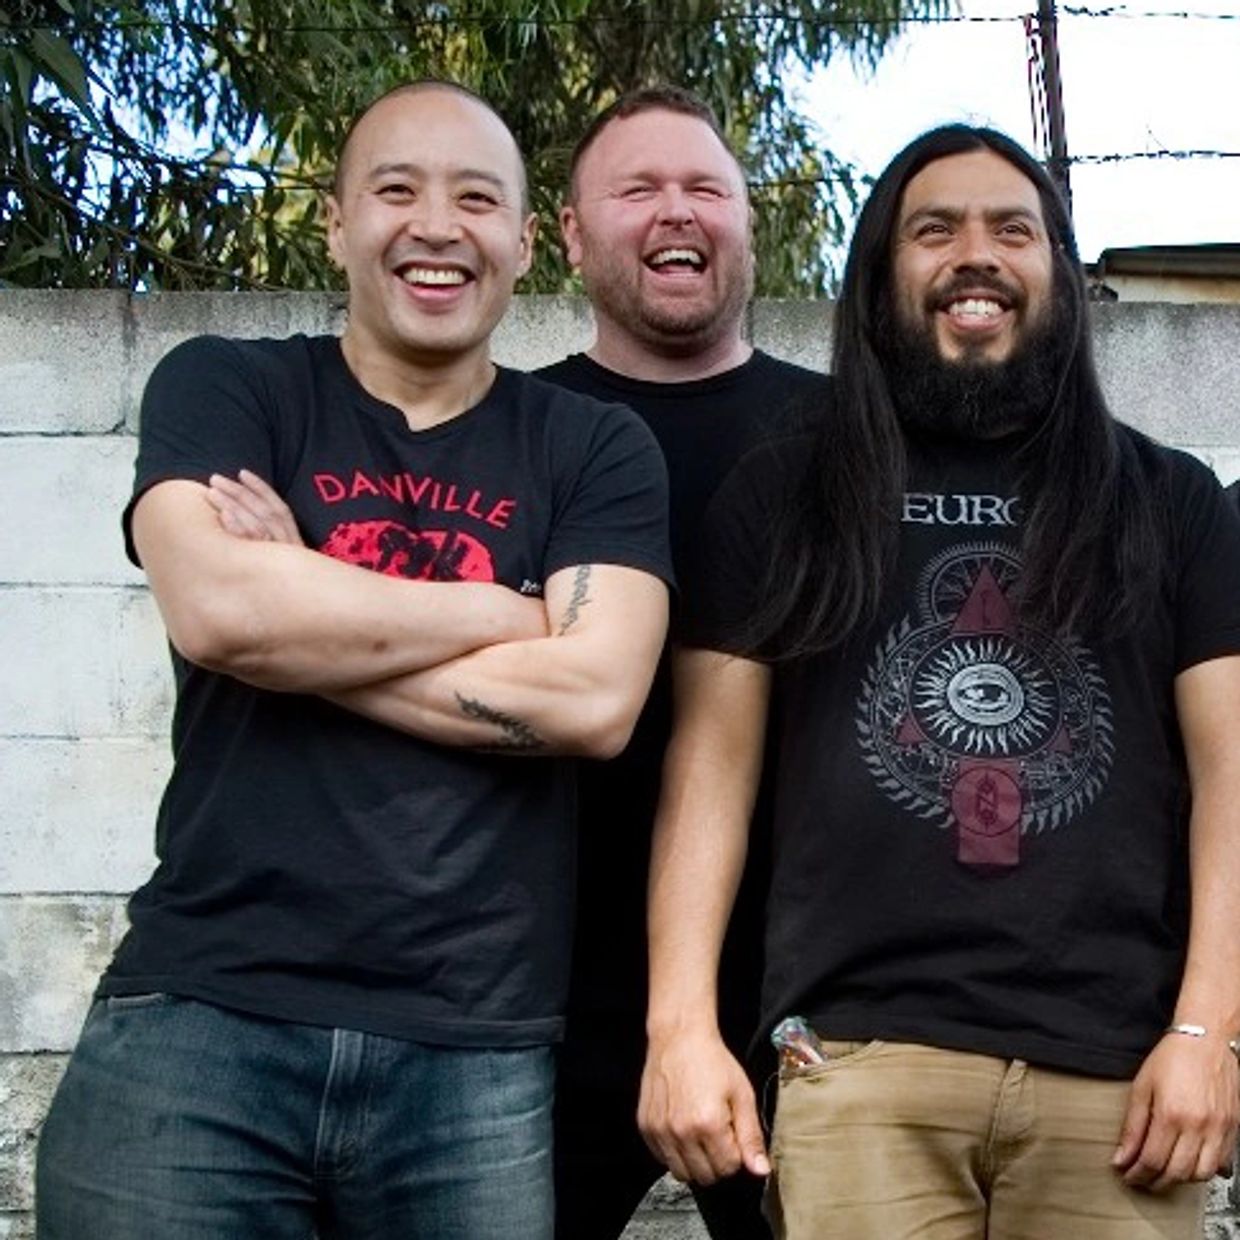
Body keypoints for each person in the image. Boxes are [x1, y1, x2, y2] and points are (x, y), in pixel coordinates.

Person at [36, 81, 672, 1240]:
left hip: (470, 1057)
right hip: (201, 1016)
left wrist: (303, 605)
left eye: (475, 199)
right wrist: (505, 610)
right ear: (335, 224)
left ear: (525, 242)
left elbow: (593, 698)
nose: (436, 225)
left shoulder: (591, 446)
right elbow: (221, 614)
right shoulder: (227, 385)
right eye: (396, 190)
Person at [639, 123, 1240, 1240]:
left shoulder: (1172, 500)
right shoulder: (784, 491)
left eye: (1012, 230)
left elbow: (1232, 780)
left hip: (1117, 1080)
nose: (976, 255)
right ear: (880, 274)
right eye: (935, 230)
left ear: (1060, 273)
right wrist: (678, 1028)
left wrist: (1209, 1033)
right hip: (858, 1060)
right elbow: (708, 770)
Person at [538, 86, 829, 1240]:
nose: (678, 211)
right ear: (569, 234)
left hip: (798, 996)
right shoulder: (514, 429)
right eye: (638, 189)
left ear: (746, 223)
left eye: (706, 187)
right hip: (536, 993)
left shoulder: (850, 439)